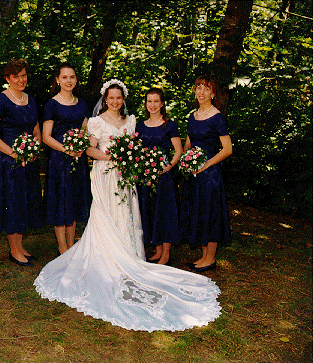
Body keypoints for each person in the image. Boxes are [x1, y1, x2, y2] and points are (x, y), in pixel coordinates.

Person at [34, 79, 221, 332]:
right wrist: (112, 156)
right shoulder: (96, 122)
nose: (114, 101)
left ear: (123, 99)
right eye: (111, 98)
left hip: (126, 176)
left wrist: (130, 160)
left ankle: (128, 258)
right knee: (104, 216)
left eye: (118, 98)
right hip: (104, 174)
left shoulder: (130, 121)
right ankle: (106, 261)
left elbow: (138, 146)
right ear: (105, 99)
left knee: (126, 214)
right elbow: (90, 150)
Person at [0, 58, 44, 267]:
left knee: (25, 202)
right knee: (13, 203)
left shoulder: (31, 99)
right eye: (16, 76)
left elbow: (36, 130)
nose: (21, 80)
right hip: (9, 162)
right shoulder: (1, 100)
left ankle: (20, 247)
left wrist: (34, 147)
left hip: (28, 160)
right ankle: (13, 250)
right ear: (8, 78)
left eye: (24, 75)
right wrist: (13, 153)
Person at [180, 75, 232, 272]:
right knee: (198, 211)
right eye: (198, 87)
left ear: (213, 93)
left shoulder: (217, 117)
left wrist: (206, 165)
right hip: (194, 174)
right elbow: (188, 144)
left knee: (211, 213)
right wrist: (185, 160)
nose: (201, 92)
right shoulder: (192, 116)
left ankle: (210, 258)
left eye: (206, 88)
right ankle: (203, 256)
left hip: (210, 175)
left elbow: (227, 149)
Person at [42, 64, 91, 255]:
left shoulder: (82, 104)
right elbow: (46, 136)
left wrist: (80, 147)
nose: (68, 81)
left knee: (74, 200)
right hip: (59, 160)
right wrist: (66, 150)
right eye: (64, 77)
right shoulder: (51, 104)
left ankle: (72, 244)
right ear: (57, 80)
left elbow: (86, 131)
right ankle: (62, 246)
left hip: (78, 160)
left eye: (72, 77)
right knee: (60, 200)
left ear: (76, 80)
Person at [136, 88, 182, 265]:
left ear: (162, 103)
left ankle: (166, 254)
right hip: (146, 176)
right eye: (149, 101)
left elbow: (178, 151)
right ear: (146, 104)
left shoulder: (169, 125)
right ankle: (157, 250)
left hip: (163, 178)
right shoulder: (140, 125)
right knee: (150, 211)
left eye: (156, 101)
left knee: (165, 213)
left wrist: (167, 167)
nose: (152, 105)